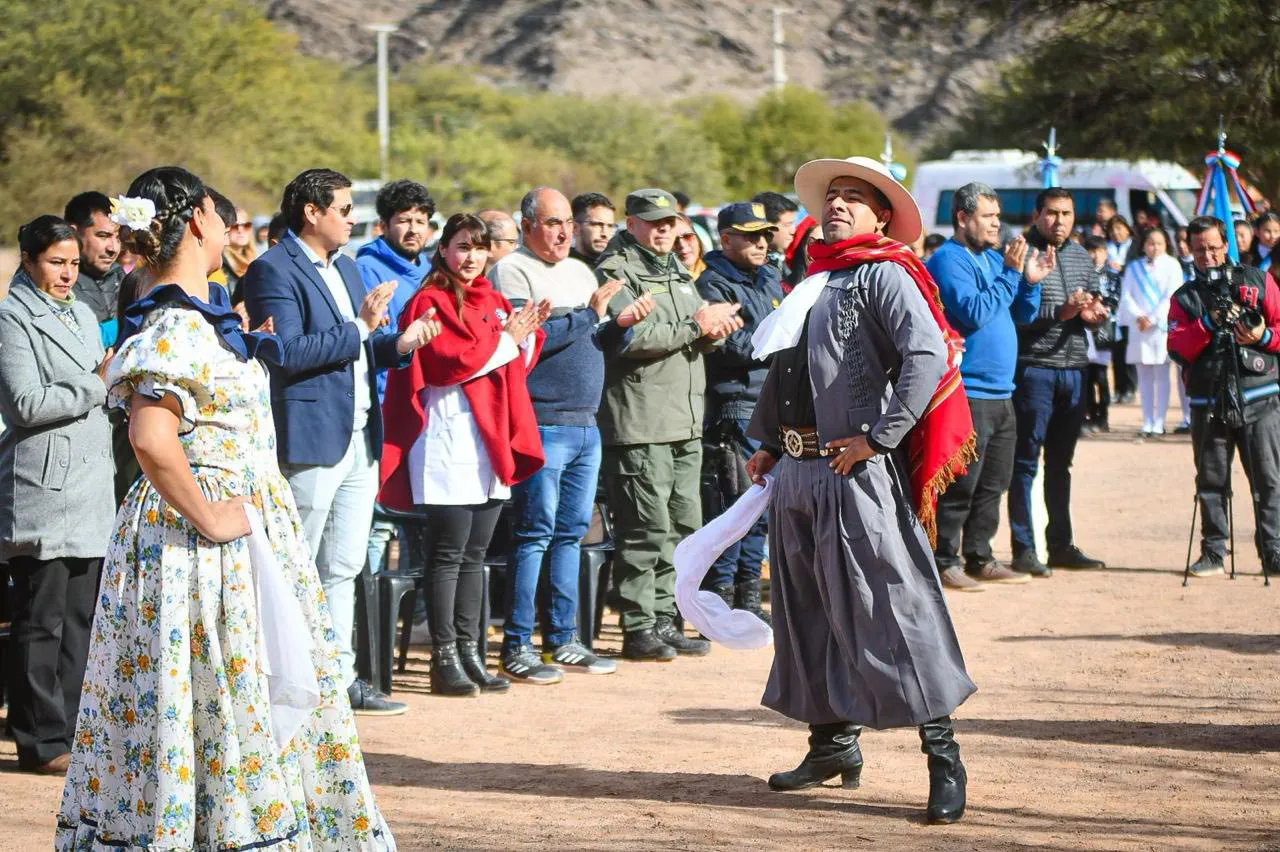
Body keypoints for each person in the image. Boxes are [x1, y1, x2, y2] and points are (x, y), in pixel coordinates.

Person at [56, 166, 396, 849]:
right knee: (213, 690)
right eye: (221, 216)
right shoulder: (176, 325)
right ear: (199, 221)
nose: (230, 227)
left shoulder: (197, 318)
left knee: (232, 693)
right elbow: (151, 437)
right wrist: (210, 516)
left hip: (235, 531)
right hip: (200, 540)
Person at [744, 155, 975, 824]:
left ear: (881, 215)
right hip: (796, 474)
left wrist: (880, 437)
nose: (837, 204)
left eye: (853, 196)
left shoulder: (886, 273)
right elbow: (787, 366)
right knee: (806, 614)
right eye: (832, 195)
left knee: (895, 610)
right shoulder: (814, 278)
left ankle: (944, 759)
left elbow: (927, 355)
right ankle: (831, 747)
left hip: (854, 473)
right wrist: (769, 440)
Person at [244, 167, 440, 716]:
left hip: (360, 434)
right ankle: (285, 685)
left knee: (344, 567)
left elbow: (362, 348)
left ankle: (338, 680)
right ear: (312, 212)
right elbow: (286, 352)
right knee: (296, 565)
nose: (353, 219)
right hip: (310, 436)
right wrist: (361, 326)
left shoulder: (348, 267)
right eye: (345, 209)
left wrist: (398, 343)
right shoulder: (271, 269)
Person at [491, 188, 654, 684]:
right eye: (552, 223)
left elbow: (594, 341)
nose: (564, 232)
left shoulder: (581, 273)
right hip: (542, 421)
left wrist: (619, 325)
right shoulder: (513, 270)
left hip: (586, 423)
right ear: (527, 226)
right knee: (534, 534)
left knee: (570, 534)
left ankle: (563, 639)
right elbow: (529, 340)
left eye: (567, 223)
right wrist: (587, 314)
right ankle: (518, 644)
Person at [379, 213, 546, 697]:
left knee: (475, 555)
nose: (471, 257)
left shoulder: (492, 299)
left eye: (479, 248)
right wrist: (507, 340)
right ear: (443, 250)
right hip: (447, 436)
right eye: (462, 247)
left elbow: (511, 364)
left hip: (489, 438)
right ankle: (444, 658)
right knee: (448, 554)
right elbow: (446, 364)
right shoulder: (429, 300)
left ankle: (473, 654)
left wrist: (526, 336)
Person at [595, 188, 743, 661]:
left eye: (669, 222)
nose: (664, 230)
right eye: (653, 222)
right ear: (631, 224)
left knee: (682, 525)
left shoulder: (676, 270)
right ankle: (638, 625)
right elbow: (631, 337)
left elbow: (689, 334)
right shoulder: (616, 271)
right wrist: (697, 327)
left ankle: (664, 617)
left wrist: (713, 332)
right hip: (641, 420)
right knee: (646, 527)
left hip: (684, 418)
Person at [0, 216, 114, 775]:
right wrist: (97, 383)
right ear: (28, 260)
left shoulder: (84, 314)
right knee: (39, 619)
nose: (67, 273)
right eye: (55, 263)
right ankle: (39, 740)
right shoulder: (12, 317)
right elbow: (23, 404)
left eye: (72, 263)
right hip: (43, 484)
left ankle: (69, 731)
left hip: (90, 483)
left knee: (78, 620)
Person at [926, 182, 1048, 590]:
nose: (997, 224)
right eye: (988, 217)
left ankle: (980, 556)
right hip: (968, 391)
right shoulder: (948, 260)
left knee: (995, 481)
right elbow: (974, 312)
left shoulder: (995, 259)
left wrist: (1030, 282)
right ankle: (945, 559)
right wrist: (1012, 274)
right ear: (963, 218)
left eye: (998, 217)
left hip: (1002, 391)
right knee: (962, 482)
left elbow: (1023, 314)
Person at [1168, 216, 1280, 578]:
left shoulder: (1258, 280)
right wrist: (1207, 323)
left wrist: (1262, 336)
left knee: (1268, 479)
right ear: (1189, 249)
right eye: (1199, 249)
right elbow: (1177, 348)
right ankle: (1213, 551)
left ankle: (1274, 550)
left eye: (1214, 247)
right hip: (1208, 397)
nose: (1208, 256)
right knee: (1211, 479)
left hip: (1259, 394)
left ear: (1227, 245)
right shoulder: (1184, 297)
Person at [1009, 188, 1111, 576]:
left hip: (1075, 370)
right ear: (1037, 215)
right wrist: (1060, 312)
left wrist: (1095, 314)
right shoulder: (1020, 252)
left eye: (1066, 213)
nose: (1060, 221)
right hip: (1034, 369)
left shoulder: (1081, 255)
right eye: (1052, 213)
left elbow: (1094, 303)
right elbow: (1013, 313)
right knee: (1025, 462)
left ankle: (1061, 545)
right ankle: (1024, 548)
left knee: (1061, 463)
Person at [695, 202, 785, 620]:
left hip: (769, 404)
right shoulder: (713, 283)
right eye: (750, 236)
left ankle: (748, 599)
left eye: (765, 234)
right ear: (726, 238)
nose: (761, 243)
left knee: (760, 508)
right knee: (734, 507)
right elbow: (730, 347)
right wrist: (778, 339)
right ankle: (720, 601)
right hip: (735, 408)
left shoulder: (768, 276)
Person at [357, 179, 437, 576]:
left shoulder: (432, 270)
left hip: (424, 405)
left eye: (420, 221)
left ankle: (412, 604)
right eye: (404, 220)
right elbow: (373, 339)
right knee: (380, 520)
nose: (413, 229)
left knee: (417, 517)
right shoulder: (367, 268)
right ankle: (368, 600)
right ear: (384, 225)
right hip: (385, 405)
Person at [1117, 228, 1184, 436]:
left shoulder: (1172, 265)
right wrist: (1139, 316)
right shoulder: (1134, 267)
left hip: (1160, 328)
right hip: (1139, 327)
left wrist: (1153, 318)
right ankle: (1147, 421)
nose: (1154, 247)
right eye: (1150, 243)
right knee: (1143, 375)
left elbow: (1172, 295)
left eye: (1159, 243)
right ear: (1143, 245)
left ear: (1166, 244)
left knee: (1162, 374)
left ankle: (1159, 422)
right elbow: (1126, 295)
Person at [64, 191, 125, 348]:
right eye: (103, 236)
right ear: (73, 233)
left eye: (118, 238)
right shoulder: (57, 282)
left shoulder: (121, 277)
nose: (113, 248)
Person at [1082, 235, 1121, 433]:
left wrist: (1104, 307)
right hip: (1085, 327)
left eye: (1100, 251)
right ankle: (1089, 413)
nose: (1096, 256)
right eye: (1092, 251)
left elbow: (1115, 297)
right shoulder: (1082, 273)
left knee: (1101, 375)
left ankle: (1103, 415)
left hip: (1105, 328)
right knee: (1087, 376)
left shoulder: (1112, 274)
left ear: (1106, 253)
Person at [752, 190, 800, 277]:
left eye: (793, 224)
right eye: (787, 225)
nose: (793, 231)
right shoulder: (754, 270)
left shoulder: (785, 262)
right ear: (767, 227)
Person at [570, 192, 616, 267]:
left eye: (610, 226)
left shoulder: (618, 267)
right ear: (575, 228)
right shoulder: (561, 268)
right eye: (597, 224)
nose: (605, 233)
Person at [673, 212, 707, 278]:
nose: (682, 245)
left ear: (697, 239)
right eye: (674, 240)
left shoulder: (718, 270)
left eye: (687, 236)